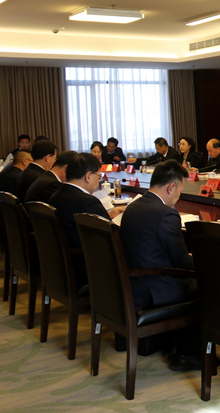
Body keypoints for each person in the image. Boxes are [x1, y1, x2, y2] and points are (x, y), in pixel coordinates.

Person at [118, 160, 199, 371]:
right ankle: (188, 353)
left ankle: (177, 344)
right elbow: (182, 263)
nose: (178, 197)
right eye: (180, 192)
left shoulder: (133, 206)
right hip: (155, 289)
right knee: (209, 283)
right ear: (171, 187)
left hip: (135, 283)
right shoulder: (166, 214)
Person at [49, 153, 125, 287]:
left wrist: (108, 216)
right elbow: (113, 238)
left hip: (63, 267)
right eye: (99, 176)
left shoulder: (56, 196)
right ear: (88, 176)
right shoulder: (88, 202)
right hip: (89, 269)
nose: (99, 181)